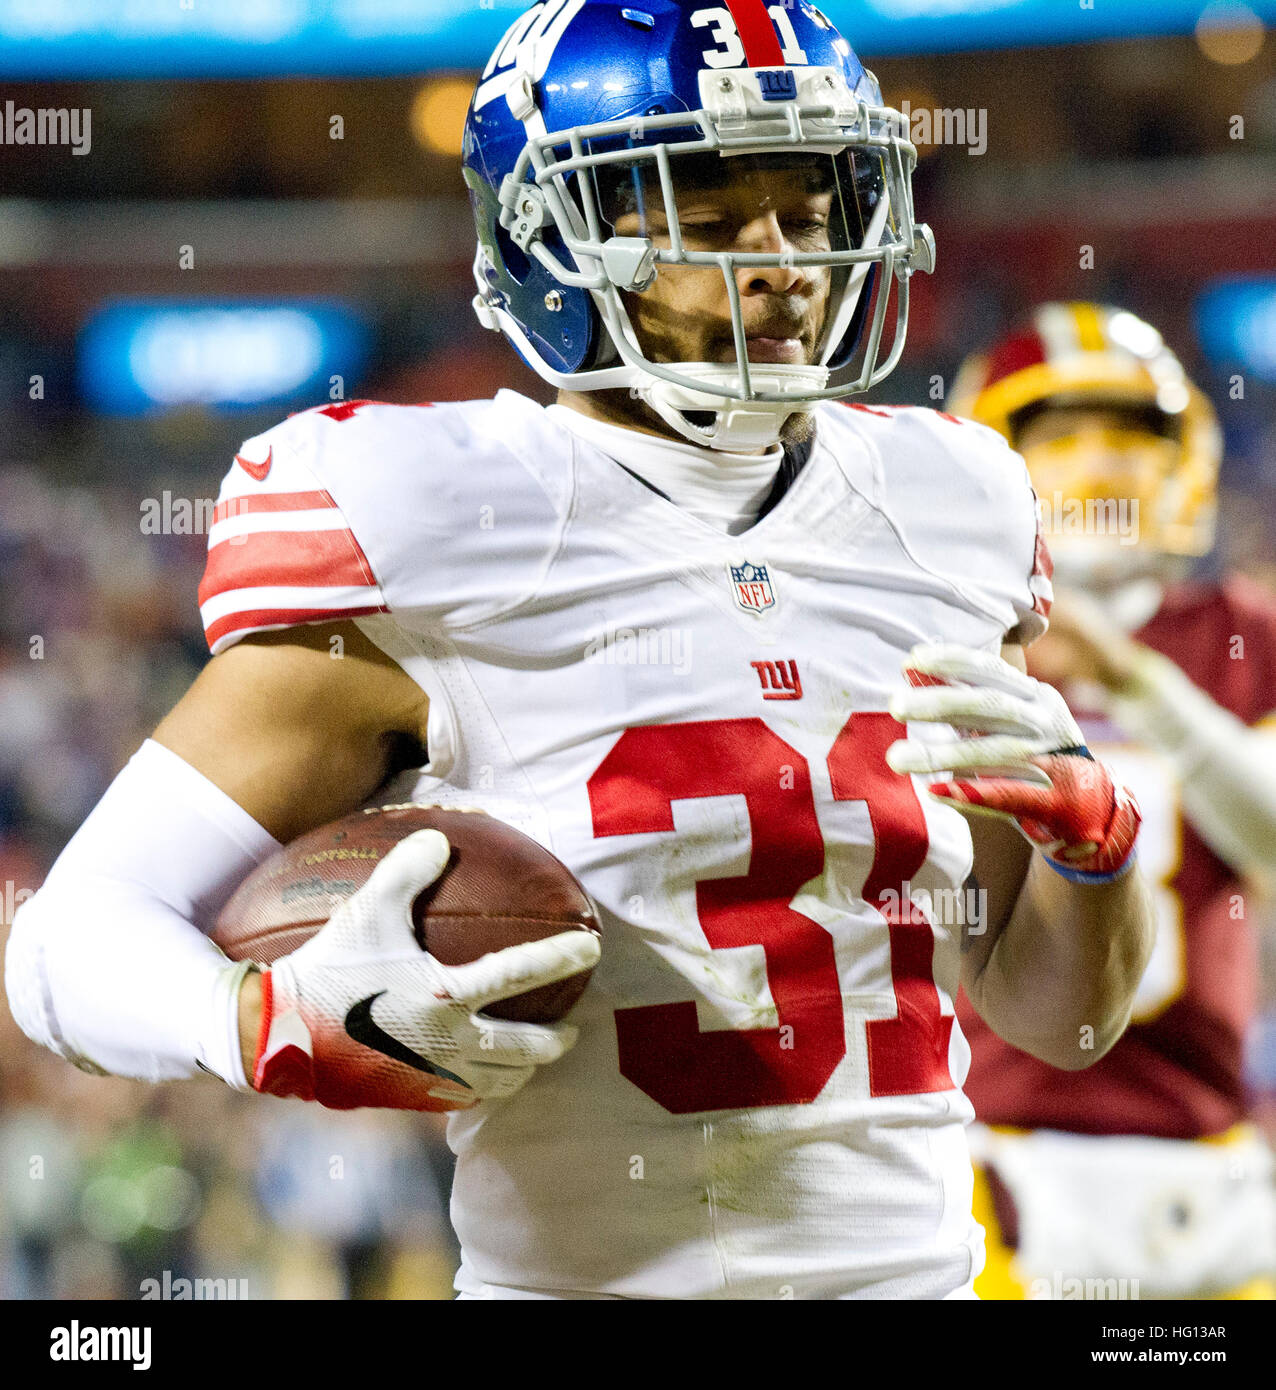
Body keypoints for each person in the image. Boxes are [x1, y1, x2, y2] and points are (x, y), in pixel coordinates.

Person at [5, 1, 1153, 1300]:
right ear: (552, 242)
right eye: (709, 216)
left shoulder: (956, 506)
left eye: (810, 206)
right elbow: (63, 945)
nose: (781, 262)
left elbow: (1057, 1017)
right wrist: (250, 1020)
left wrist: (1099, 857)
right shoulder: (434, 513)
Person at [951, 301, 1276, 1300]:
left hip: (1209, 1159)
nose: (1102, 466)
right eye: (1062, 435)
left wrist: (1133, 680)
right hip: (993, 1158)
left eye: (1133, 436)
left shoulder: (1239, 634)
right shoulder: (953, 641)